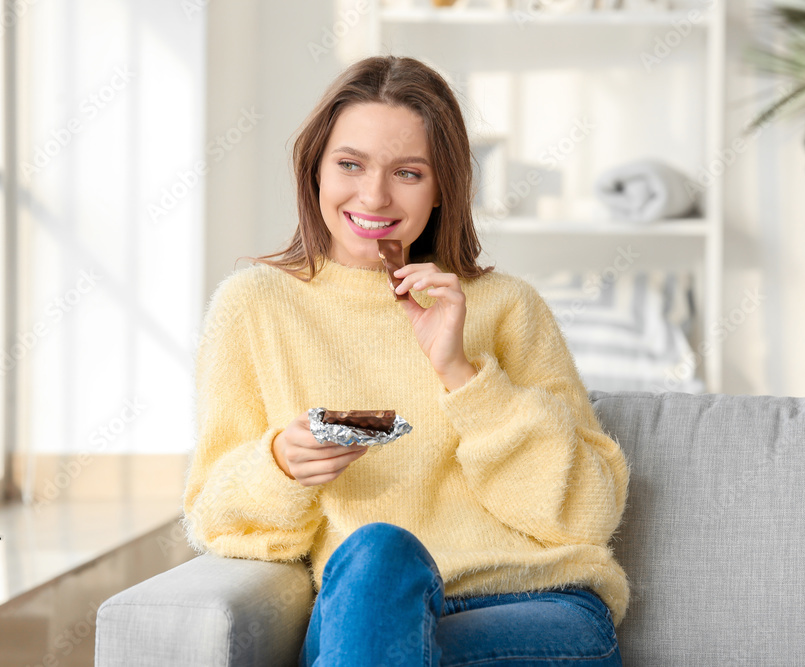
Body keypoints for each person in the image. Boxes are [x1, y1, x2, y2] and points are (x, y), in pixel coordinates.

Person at [182, 55, 630, 666]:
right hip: (368, 607)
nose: (374, 195)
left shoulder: (506, 307)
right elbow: (215, 519)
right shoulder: (254, 306)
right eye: (349, 164)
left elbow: (585, 516)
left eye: (408, 173)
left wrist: (460, 372)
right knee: (377, 555)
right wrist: (282, 465)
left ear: (443, 185)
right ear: (314, 168)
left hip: (538, 608)